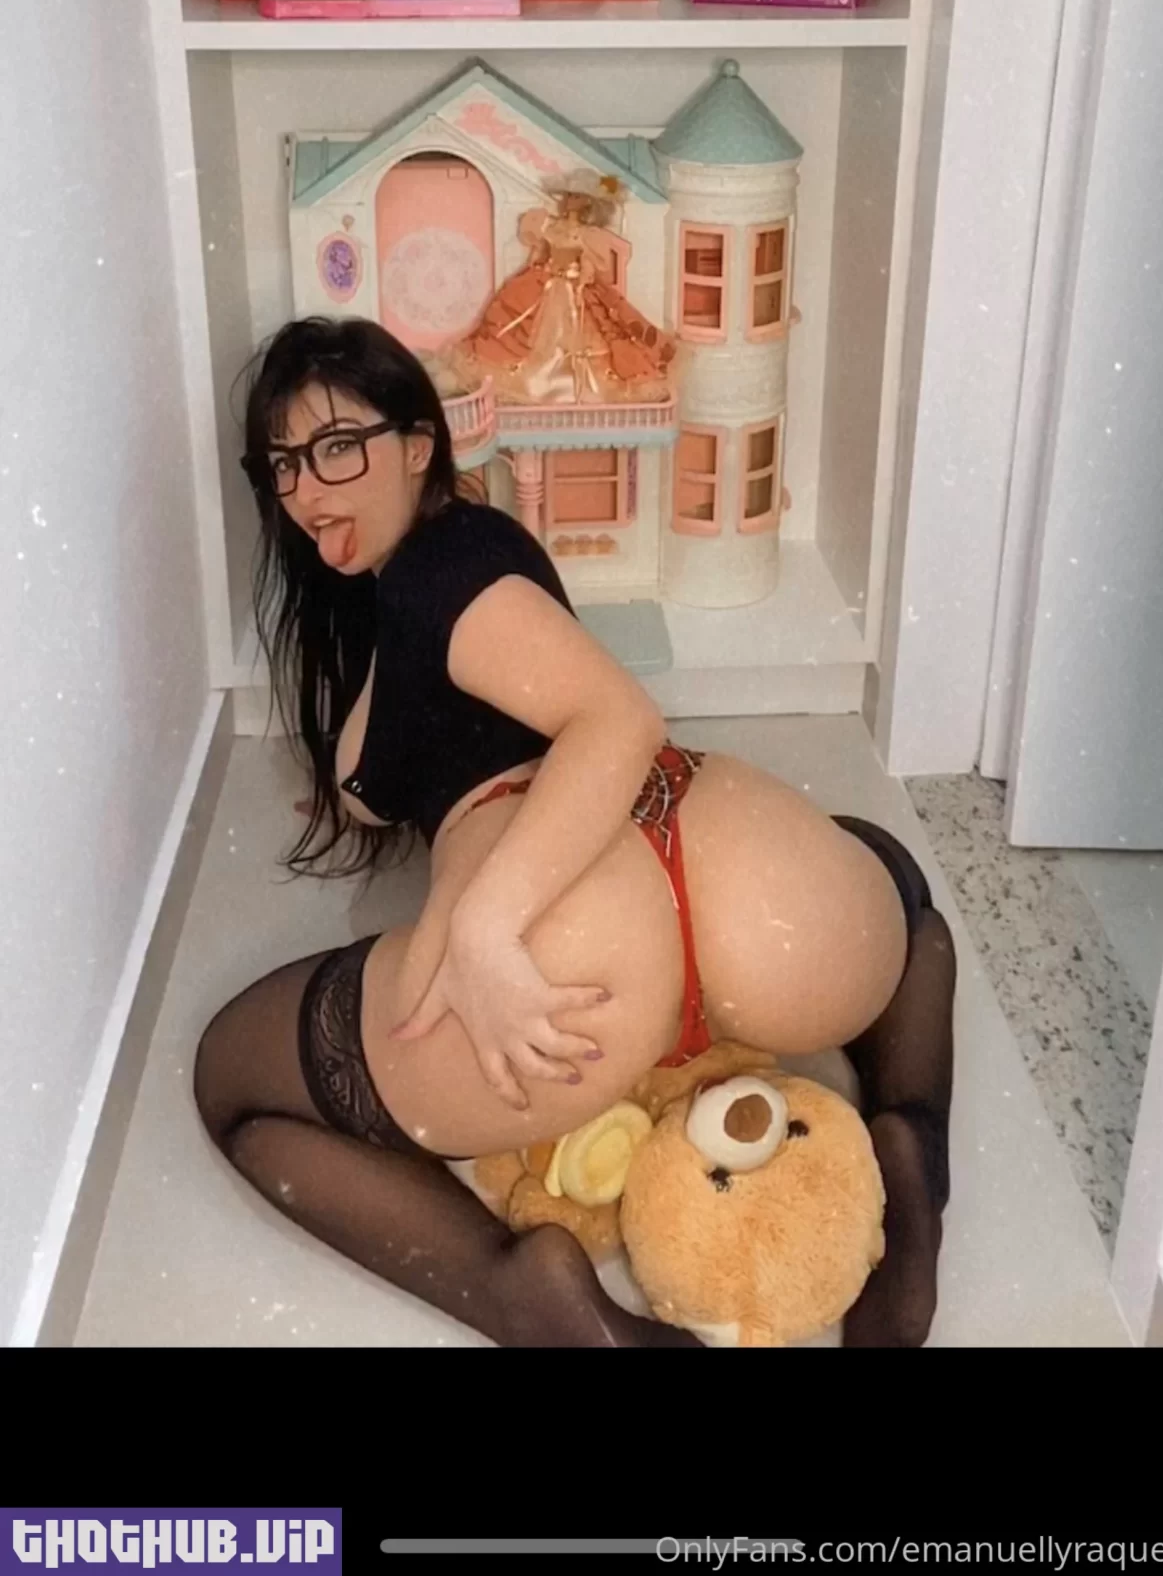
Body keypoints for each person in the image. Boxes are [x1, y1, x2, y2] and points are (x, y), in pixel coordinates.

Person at [194, 316, 955, 1348]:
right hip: (731, 868)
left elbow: (616, 717)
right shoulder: (456, 563)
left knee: (233, 1079)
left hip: (567, 943)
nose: (304, 489)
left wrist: (482, 928)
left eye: (338, 446)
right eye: (281, 463)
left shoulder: (436, 568)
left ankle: (521, 1290)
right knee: (891, 880)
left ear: (418, 445)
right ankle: (908, 1148)